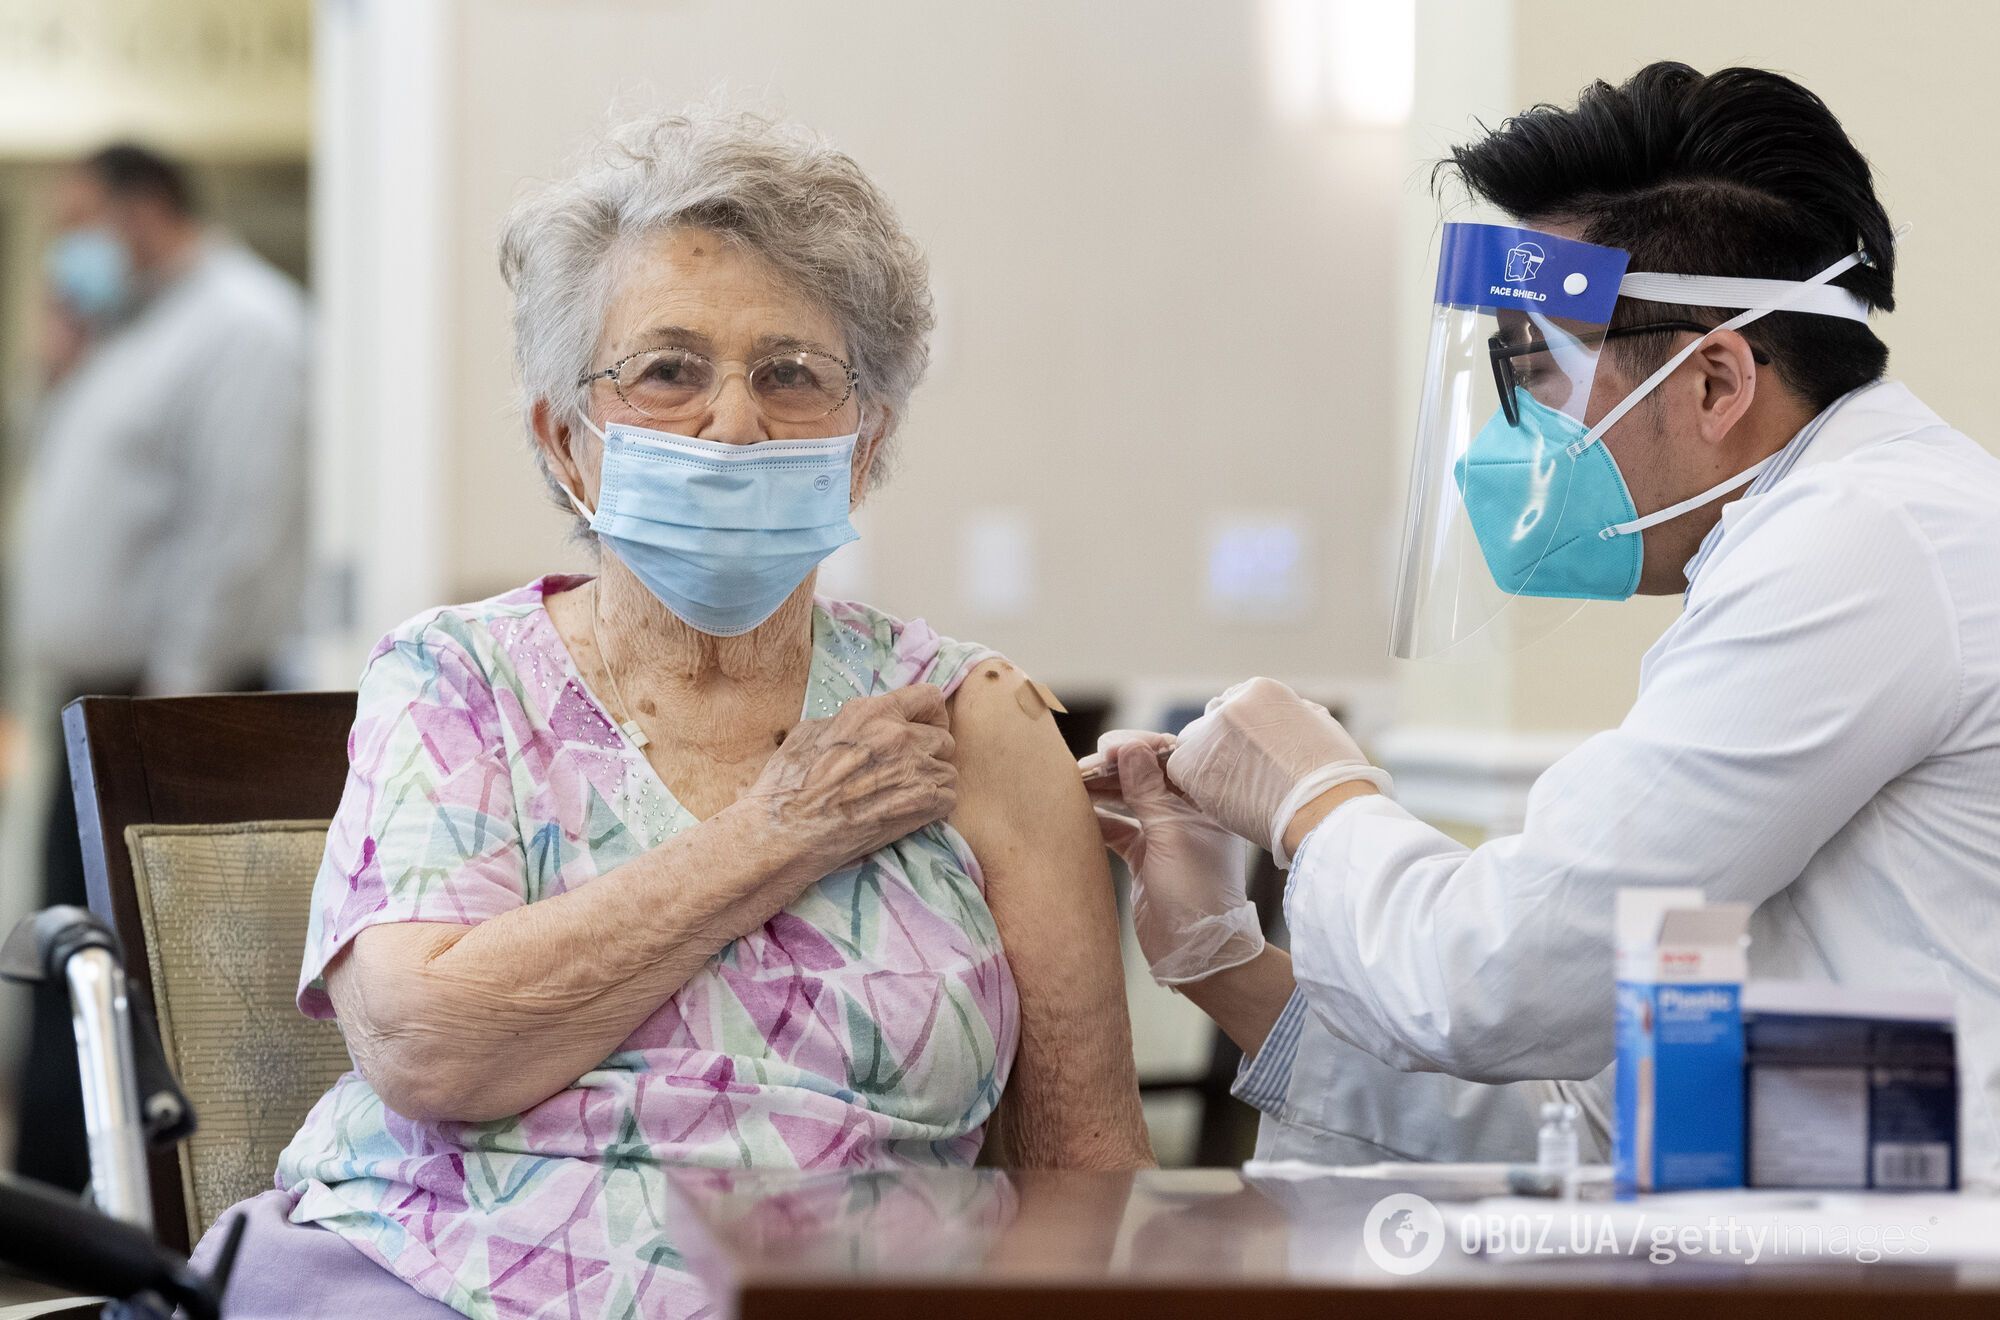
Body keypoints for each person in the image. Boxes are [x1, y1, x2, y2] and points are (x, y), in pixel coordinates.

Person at [191, 110, 1152, 1319]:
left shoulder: (971, 723)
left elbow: (1083, 1172)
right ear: (568, 444)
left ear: (864, 444)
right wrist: (782, 829)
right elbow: (429, 1047)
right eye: (667, 370)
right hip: (430, 1280)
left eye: (792, 374)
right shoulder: (455, 678)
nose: (735, 421)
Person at [1090, 63, 2000, 1184]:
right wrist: (1222, 960)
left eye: (1534, 371)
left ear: (1713, 382)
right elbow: (1627, 1117)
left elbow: (1494, 977)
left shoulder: (1863, 548)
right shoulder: (1831, 541)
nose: (1508, 435)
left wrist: (1311, 793)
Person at [6, 143, 309, 1189]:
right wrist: (59, 364)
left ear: (146, 212)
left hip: (169, 706)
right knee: (72, 967)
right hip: (96, 705)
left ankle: (141, 1223)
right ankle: (61, 1213)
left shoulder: (246, 326)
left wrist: (169, 722)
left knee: (157, 984)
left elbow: (239, 535)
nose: (68, 245)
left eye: (83, 217)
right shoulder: (130, 334)